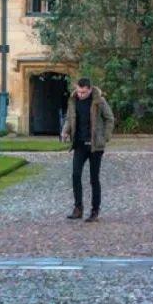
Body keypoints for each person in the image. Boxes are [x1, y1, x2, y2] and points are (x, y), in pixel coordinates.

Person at [61, 76, 114, 222]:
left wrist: (105, 137)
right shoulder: (73, 101)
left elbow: (109, 119)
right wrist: (65, 131)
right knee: (75, 175)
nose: (81, 94)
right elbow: (69, 119)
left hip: (95, 146)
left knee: (94, 178)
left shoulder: (99, 101)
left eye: (83, 92)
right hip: (79, 144)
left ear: (90, 89)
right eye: (79, 91)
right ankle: (78, 208)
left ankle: (95, 210)